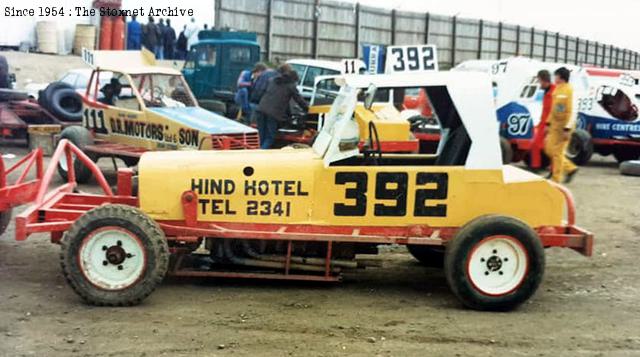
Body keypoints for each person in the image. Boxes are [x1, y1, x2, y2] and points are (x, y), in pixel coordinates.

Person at [256, 64, 308, 149]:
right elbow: (299, 100)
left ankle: (256, 154)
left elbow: (273, 96)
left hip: (261, 109)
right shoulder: (290, 85)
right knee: (270, 138)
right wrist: (308, 109)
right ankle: (260, 155)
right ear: (294, 79)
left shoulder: (273, 80)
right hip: (273, 114)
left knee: (262, 137)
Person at [544, 67, 578, 183]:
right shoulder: (557, 90)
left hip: (564, 126)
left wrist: (567, 128)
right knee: (549, 149)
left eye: (556, 76)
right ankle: (570, 168)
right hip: (555, 125)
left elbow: (572, 111)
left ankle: (556, 178)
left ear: (561, 77)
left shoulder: (570, 91)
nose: (555, 78)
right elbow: (553, 108)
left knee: (557, 152)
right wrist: (548, 123)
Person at [530, 69, 555, 170]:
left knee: (552, 148)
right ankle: (535, 166)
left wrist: (548, 125)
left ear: (544, 80)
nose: (538, 83)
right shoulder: (546, 92)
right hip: (543, 123)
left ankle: (554, 169)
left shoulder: (554, 92)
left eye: (539, 81)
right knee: (535, 144)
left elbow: (554, 111)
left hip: (551, 124)